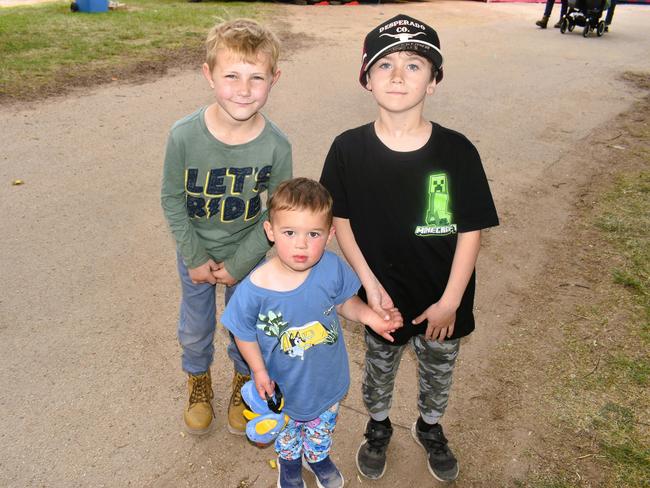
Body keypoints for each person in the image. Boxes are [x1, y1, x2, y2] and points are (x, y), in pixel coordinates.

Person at [320, 14, 499, 483]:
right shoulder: (347, 149)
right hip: (384, 298)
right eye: (385, 64)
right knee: (378, 370)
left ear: (434, 80)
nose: (398, 76)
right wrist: (370, 287)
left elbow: (471, 229)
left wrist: (451, 301)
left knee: (438, 372)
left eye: (414, 64)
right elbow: (341, 221)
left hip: (444, 299)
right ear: (366, 78)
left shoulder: (457, 152)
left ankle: (430, 425)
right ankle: (377, 427)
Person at [221, 178, 403, 488]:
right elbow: (243, 332)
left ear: (330, 235)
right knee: (287, 434)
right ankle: (290, 467)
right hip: (281, 385)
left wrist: (370, 316)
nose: (301, 244)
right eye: (289, 232)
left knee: (322, 428)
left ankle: (318, 457)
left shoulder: (331, 268)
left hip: (325, 380)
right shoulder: (255, 289)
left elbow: (346, 301)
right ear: (270, 232)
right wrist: (259, 370)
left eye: (313, 234)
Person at [161, 18, 292, 437]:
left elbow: (278, 213)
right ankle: (198, 382)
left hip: (248, 256)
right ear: (208, 74)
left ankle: (244, 382)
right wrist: (195, 256)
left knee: (244, 327)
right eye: (231, 75)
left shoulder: (276, 145)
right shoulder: (183, 135)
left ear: (275, 78)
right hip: (195, 250)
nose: (244, 88)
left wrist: (239, 262)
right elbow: (172, 198)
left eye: (257, 77)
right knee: (195, 326)